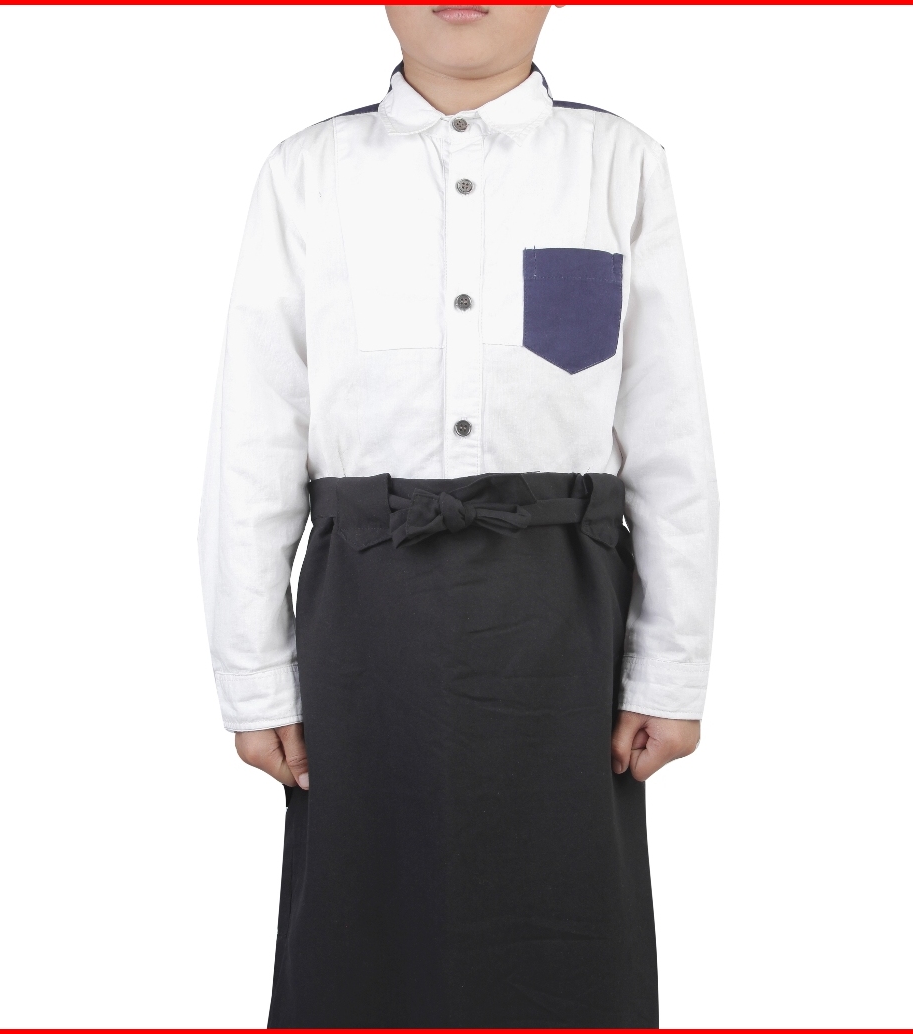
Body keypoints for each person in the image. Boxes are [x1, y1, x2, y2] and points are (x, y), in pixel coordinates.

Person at [199, 5, 718, 1028]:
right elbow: (254, 437)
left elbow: (667, 432)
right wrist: (253, 677)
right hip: (366, 610)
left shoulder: (616, 164)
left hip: (563, 615)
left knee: (562, 922)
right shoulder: (308, 173)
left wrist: (671, 667)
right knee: (361, 926)